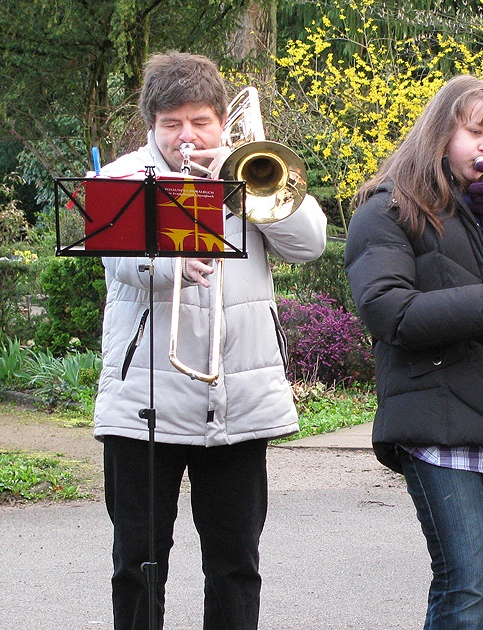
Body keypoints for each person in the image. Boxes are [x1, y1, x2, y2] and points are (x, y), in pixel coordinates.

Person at [93, 51, 327, 629]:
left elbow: (310, 245)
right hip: (143, 401)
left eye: (200, 122)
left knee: (235, 565)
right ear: (151, 125)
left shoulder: (252, 173)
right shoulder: (121, 179)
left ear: (222, 122)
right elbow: (116, 259)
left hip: (237, 400)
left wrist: (244, 181)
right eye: (171, 123)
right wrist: (168, 265)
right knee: (137, 564)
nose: (187, 136)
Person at [343, 75, 483, 629]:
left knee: (479, 584)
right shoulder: (386, 210)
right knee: (464, 584)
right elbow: (389, 312)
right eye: (476, 132)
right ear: (441, 131)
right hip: (435, 422)